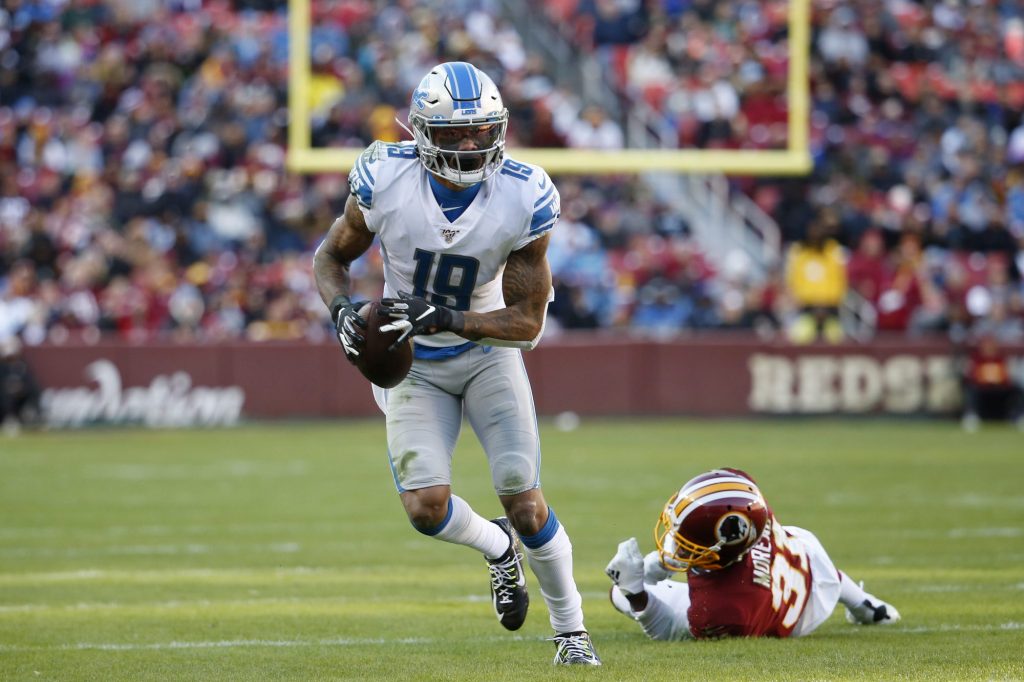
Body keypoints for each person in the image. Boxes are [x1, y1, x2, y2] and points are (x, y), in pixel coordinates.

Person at [313, 62, 600, 666]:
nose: (469, 146)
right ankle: (497, 548)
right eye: (453, 133)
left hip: (484, 354)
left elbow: (526, 324)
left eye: (479, 132)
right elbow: (330, 257)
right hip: (413, 362)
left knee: (524, 497)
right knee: (425, 509)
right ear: (421, 132)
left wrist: (447, 318)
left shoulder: (523, 194)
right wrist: (340, 309)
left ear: (497, 129)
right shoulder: (385, 177)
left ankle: (572, 633)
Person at [605, 468, 900, 641]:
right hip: (808, 562)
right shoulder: (749, 506)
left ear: (725, 547)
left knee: (618, 593)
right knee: (803, 547)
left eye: (687, 541)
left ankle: (865, 605)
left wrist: (635, 593)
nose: (676, 542)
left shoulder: (726, 608)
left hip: (791, 618)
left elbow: (666, 628)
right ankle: (866, 605)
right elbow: (725, 488)